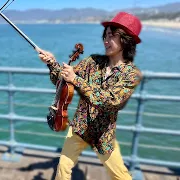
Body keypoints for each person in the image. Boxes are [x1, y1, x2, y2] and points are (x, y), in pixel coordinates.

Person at [38, 12, 143, 180]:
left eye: (112, 36)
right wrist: (52, 63)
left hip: (103, 134)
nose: (106, 40)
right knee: (63, 169)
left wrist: (76, 79)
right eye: (105, 35)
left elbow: (111, 101)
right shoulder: (92, 61)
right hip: (79, 128)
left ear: (126, 39)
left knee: (121, 176)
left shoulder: (131, 74)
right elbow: (64, 79)